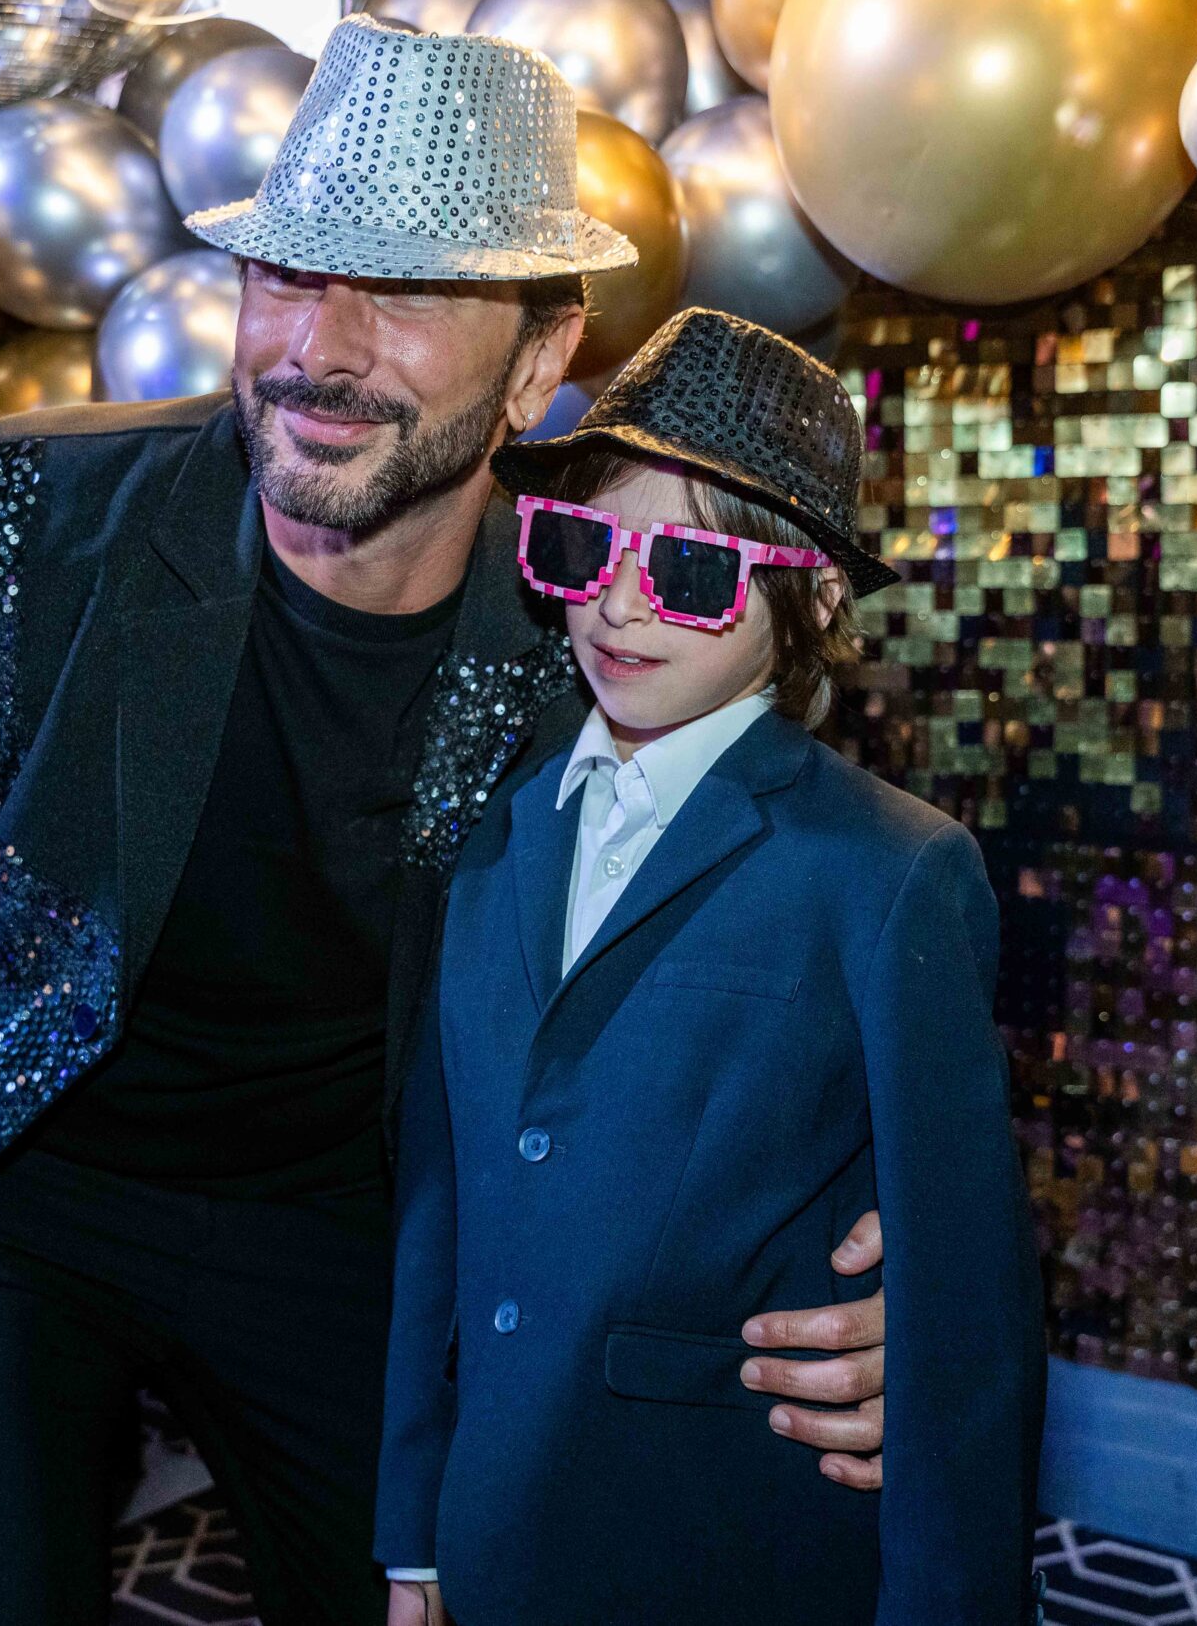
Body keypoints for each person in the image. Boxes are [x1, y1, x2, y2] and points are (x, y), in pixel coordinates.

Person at [0, 18, 902, 1626]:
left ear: (538, 358)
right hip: (5, 1176)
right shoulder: (45, 516)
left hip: (352, 1223)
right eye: (286, 275)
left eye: (403, 293)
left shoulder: (597, 609)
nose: (318, 348)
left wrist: (873, 1257)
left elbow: (781, 929)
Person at [377, 309, 1046, 1626]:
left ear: (809, 597)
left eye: (690, 568)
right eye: (582, 548)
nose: (621, 604)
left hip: (732, 1541)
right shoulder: (495, 832)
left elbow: (963, 1309)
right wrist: (414, 1540)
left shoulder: (888, 870)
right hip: (494, 1524)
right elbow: (441, 1204)